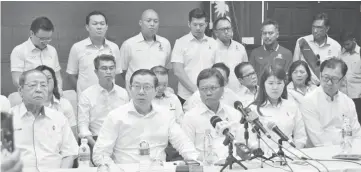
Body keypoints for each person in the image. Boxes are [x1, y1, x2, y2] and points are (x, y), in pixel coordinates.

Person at [92, 69, 199, 169]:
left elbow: (183, 143)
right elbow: (100, 154)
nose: (141, 92)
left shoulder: (165, 115)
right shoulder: (115, 116)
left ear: (156, 90)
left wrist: (195, 160)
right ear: (130, 88)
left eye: (147, 87)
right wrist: (115, 169)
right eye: (137, 86)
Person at [10, 70, 78, 169]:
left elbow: (69, 153)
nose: (39, 89)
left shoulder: (59, 118)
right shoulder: (6, 119)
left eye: (43, 85)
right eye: (33, 85)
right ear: (20, 90)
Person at [182, 68, 244, 162]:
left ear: (223, 89)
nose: (208, 93)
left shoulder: (234, 114)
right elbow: (187, 151)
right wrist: (206, 162)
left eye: (213, 88)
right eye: (203, 89)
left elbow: (242, 144)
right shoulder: (190, 117)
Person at [301, 58, 361, 147]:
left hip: (348, 153)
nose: (329, 83)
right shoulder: (309, 101)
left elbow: (357, 134)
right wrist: (344, 141)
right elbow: (318, 140)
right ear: (320, 75)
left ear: (343, 80)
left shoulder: (348, 102)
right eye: (325, 78)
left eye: (334, 79)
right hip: (320, 154)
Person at [78, 54, 129, 158]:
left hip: (120, 140)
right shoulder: (86, 95)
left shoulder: (123, 93)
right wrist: (97, 146)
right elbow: (83, 127)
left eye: (111, 68)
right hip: (95, 140)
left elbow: (127, 122)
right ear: (96, 72)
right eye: (104, 68)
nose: (108, 71)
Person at [247, 64, 307, 154]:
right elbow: (252, 141)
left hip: (291, 157)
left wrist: (295, 153)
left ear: (284, 84)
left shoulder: (291, 105)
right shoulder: (253, 109)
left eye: (279, 83)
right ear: (263, 85)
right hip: (266, 160)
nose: (275, 87)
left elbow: (300, 136)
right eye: (270, 83)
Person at [66, 11, 122, 94]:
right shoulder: (77, 47)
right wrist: (82, 92)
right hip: (86, 100)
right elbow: (71, 75)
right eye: (95, 24)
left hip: (109, 96)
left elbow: (117, 73)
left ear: (106, 27)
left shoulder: (114, 47)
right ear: (87, 27)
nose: (99, 27)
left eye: (102, 24)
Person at [172, 8, 219, 104]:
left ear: (206, 24)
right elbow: (178, 71)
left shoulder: (214, 43)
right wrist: (196, 91)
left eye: (201, 25)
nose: (198, 28)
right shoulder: (180, 42)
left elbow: (217, 69)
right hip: (186, 96)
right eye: (195, 24)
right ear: (189, 24)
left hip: (209, 95)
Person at [120, 9, 171, 90]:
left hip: (158, 91)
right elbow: (123, 70)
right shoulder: (129, 44)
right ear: (140, 23)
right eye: (148, 21)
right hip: (136, 92)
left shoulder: (165, 43)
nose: (152, 24)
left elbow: (166, 68)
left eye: (155, 21)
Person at [10, 16, 63, 94]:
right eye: (42, 39)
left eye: (48, 38)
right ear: (32, 33)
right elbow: (17, 79)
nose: (45, 42)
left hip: (51, 96)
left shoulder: (52, 50)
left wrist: (58, 91)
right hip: (31, 96)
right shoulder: (19, 50)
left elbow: (57, 76)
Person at [293, 13, 341, 85]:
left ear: (327, 28)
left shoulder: (335, 46)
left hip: (326, 87)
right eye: (313, 27)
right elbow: (295, 67)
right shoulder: (302, 42)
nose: (315, 31)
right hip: (306, 87)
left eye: (319, 28)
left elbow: (338, 71)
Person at [34, 65, 77, 137]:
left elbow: (73, 137)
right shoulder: (29, 106)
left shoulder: (64, 104)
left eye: (48, 78)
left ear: (54, 82)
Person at [213, 17, 248, 93]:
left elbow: (246, 71)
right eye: (222, 29)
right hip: (218, 94)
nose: (226, 32)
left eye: (228, 28)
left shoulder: (240, 48)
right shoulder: (210, 48)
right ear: (216, 32)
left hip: (239, 93)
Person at [339, 31, 361, 122]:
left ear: (354, 40)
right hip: (344, 95)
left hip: (358, 95)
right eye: (344, 45)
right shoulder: (341, 54)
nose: (346, 47)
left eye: (348, 44)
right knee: (346, 121)